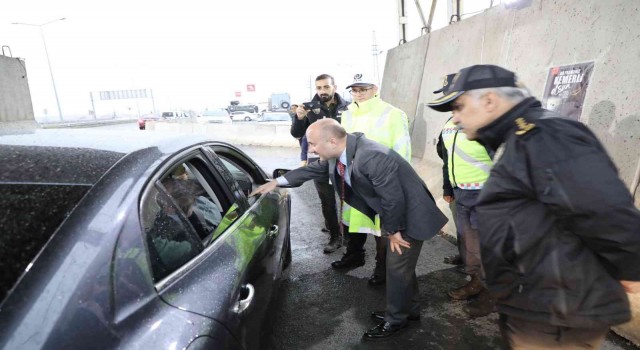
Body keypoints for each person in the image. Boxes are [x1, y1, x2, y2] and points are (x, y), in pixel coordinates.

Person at [427, 64, 640, 349]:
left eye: (459, 107)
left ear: (489, 101)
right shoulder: (516, 137)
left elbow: (604, 209)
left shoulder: (545, 134)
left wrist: (631, 272)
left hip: (559, 310)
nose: (455, 118)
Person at [251, 119, 448, 339]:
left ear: (332, 140)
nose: (311, 149)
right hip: (398, 213)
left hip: (409, 216)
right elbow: (313, 169)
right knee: (401, 269)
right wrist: (277, 182)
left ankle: (396, 320)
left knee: (397, 269)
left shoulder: (370, 156)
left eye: (314, 144)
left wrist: (393, 231)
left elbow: (393, 198)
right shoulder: (344, 151)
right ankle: (408, 311)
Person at [330, 72, 412, 288]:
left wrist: (398, 182)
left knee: (381, 227)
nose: (358, 94)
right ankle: (354, 254)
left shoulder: (393, 114)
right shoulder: (346, 114)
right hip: (352, 178)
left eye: (363, 89)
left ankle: (382, 267)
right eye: (354, 90)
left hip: (380, 181)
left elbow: (402, 150)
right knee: (354, 220)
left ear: (375, 89)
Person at [433, 73, 496, 317]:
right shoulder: (450, 123)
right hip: (463, 192)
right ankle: (477, 281)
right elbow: (447, 156)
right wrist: (449, 188)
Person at [290, 74, 351, 253]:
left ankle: (348, 233)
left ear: (334, 87)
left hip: (344, 159)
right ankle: (334, 236)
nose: (322, 91)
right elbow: (296, 134)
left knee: (347, 198)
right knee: (327, 200)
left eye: (326, 87)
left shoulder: (348, 107)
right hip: (320, 161)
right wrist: (299, 118)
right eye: (319, 88)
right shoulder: (309, 108)